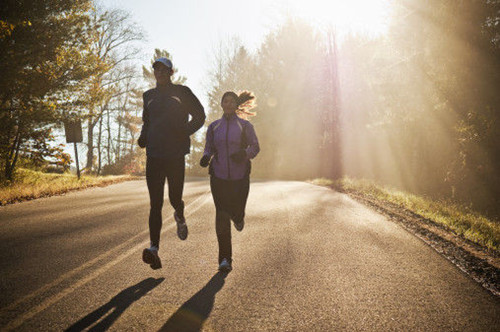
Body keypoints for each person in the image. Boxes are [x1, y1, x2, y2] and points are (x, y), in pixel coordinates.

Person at [138, 57, 206, 270]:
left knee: (174, 197)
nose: (159, 72)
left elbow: (200, 116)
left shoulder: (182, 92)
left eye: (163, 69)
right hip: (154, 155)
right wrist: (143, 137)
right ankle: (154, 249)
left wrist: (183, 132)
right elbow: (147, 122)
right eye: (156, 69)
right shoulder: (148, 96)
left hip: (175, 154)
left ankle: (179, 212)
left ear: (171, 71)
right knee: (155, 203)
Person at [200, 91, 260, 272]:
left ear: (236, 105)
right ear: (221, 104)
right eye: (225, 101)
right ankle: (225, 259)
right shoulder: (214, 127)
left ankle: (239, 217)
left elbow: (255, 147)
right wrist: (205, 157)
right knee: (221, 215)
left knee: (236, 212)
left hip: (240, 177)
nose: (228, 104)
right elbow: (209, 147)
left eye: (231, 101)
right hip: (218, 177)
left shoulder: (244, 126)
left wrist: (244, 154)